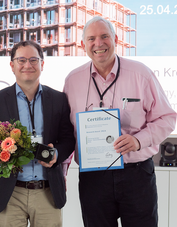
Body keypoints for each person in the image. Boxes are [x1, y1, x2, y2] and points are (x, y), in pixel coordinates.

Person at [63, 16, 177, 227]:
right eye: (91, 39)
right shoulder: (73, 80)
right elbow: (67, 131)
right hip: (93, 178)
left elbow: (167, 117)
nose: (99, 44)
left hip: (136, 175)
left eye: (105, 36)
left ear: (115, 39)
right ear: (82, 45)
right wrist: (62, 169)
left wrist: (138, 141)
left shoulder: (141, 74)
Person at [0, 40, 75, 227]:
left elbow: (68, 139)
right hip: (10, 193)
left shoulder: (58, 99)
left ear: (42, 64)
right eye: (21, 60)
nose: (27, 65)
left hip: (47, 192)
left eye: (34, 60)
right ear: (12, 65)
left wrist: (56, 154)